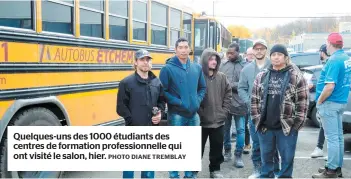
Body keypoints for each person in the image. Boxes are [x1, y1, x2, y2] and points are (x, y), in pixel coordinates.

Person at [251, 44, 309, 178]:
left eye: (279, 55)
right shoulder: (262, 76)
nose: (276, 58)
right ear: (270, 57)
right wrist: (257, 121)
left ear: (285, 57)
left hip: (287, 128)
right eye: (273, 55)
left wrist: (296, 126)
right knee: (266, 162)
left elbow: (303, 103)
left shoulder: (296, 76)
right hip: (265, 128)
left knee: (287, 161)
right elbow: (254, 100)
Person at [159, 37, 206, 179]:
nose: (184, 50)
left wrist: (197, 101)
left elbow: (202, 87)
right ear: (175, 50)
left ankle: (189, 174)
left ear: (189, 49)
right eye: (180, 47)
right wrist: (178, 102)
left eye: (186, 47)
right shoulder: (167, 69)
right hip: (177, 115)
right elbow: (163, 91)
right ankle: (174, 175)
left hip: (193, 115)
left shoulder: (196, 68)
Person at [116, 49, 166, 178]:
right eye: (142, 59)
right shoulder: (126, 83)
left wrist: (160, 114)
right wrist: (132, 122)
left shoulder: (157, 82)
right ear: (135, 63)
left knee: (148, 170)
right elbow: (121, 107)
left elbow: (161, 101)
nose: (145, 62)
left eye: (148, 60)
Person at [238, 39, 280, 178]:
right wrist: (249, 103)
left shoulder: (274, 65)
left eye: (262, 48)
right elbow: (242, 88)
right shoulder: (247, 69)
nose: (259, 51)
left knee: (272, 143)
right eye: (257, 49)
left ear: (266, 50)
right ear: (253, 51)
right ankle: (258, 169)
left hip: (272, 113)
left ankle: (275, 170)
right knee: (256, 143)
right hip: (254, 114)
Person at [312, 33, 351, 178]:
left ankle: (331, 170)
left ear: (329, 43)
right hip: (340, 102)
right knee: (338, 137)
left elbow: (329, 86)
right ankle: (336, 166)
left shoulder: (334, 60)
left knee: (332, 138)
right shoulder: (346, 58)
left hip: (330, 102)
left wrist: (320, 101)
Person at [197, 48, 232, 178]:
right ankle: (193, 171)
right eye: (211, 59)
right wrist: (200, 112)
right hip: (202, 121)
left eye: (216, 60)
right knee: (197, 148)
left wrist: (224, 111)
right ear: (205, 61)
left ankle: (215, 170)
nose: (214, 62)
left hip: (219, 121)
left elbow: (228, 94)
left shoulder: (222, 77)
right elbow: (193, 96)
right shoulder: (198, 76)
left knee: (217, 148)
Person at [219, 42, 247, 168]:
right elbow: (219, 82)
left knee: (241, 130)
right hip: (226, 103)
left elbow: (245, 84)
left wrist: (230, 84)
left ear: (238, 52)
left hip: (240, 103)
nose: (229, 55)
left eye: (232, 53)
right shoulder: (223, 65)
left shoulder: (246, 66)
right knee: (225, 129)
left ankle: (238, 155)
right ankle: (227, 152)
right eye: (228, 53)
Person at [310, 44, 330, 159]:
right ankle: (319, 148)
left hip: (327, 101)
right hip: (323, 100)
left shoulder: (330, 64)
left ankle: (330, 153)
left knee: (330, 128)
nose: (319, 54)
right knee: (324, 126)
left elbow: (330, 85)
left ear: (323, 52)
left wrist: (321, 100)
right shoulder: (326, 64)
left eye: (320, 52)